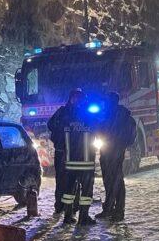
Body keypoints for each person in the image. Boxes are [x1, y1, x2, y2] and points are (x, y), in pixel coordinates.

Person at [53, 90, 98, 226]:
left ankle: (67, 216)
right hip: (86, 161)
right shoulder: (89, 116)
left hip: (70, 160)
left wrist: (59, 143)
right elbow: (100, 128)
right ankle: (83, 217)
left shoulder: (65, 116)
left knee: (68, 190)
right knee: (86, 191)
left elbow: (53, 127)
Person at [97, 92, 135, 222]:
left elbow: (131, 132)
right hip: (106, 151)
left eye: (108, 101)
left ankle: (118, 211)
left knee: (116, 181)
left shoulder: (122, 115)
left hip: (116, 151)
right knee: (108, 180)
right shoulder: (107, 115)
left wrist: (122, 144)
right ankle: (109, 208)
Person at [47, 88, 84, 215]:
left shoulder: (74, 112)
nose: (77, 100)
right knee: (65, 179)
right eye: (75, 97)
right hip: (65, 151)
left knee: (72, 179)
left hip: (72, 151)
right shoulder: (64, 112)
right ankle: (63, 205)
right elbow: (51, 124)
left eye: (79, 98)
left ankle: (70, 205)